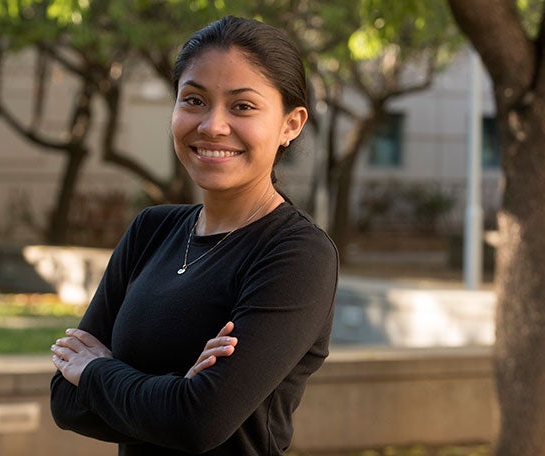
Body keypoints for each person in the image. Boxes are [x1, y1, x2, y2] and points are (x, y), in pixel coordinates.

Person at [49, 16, 338, 456]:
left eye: (243, 106)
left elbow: (199, 422)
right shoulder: (151, 230)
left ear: (291, 124)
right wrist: (174, 394)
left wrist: (95, 372)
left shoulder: (297, 254)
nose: (212, 126)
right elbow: (65, 402)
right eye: (194, 100)